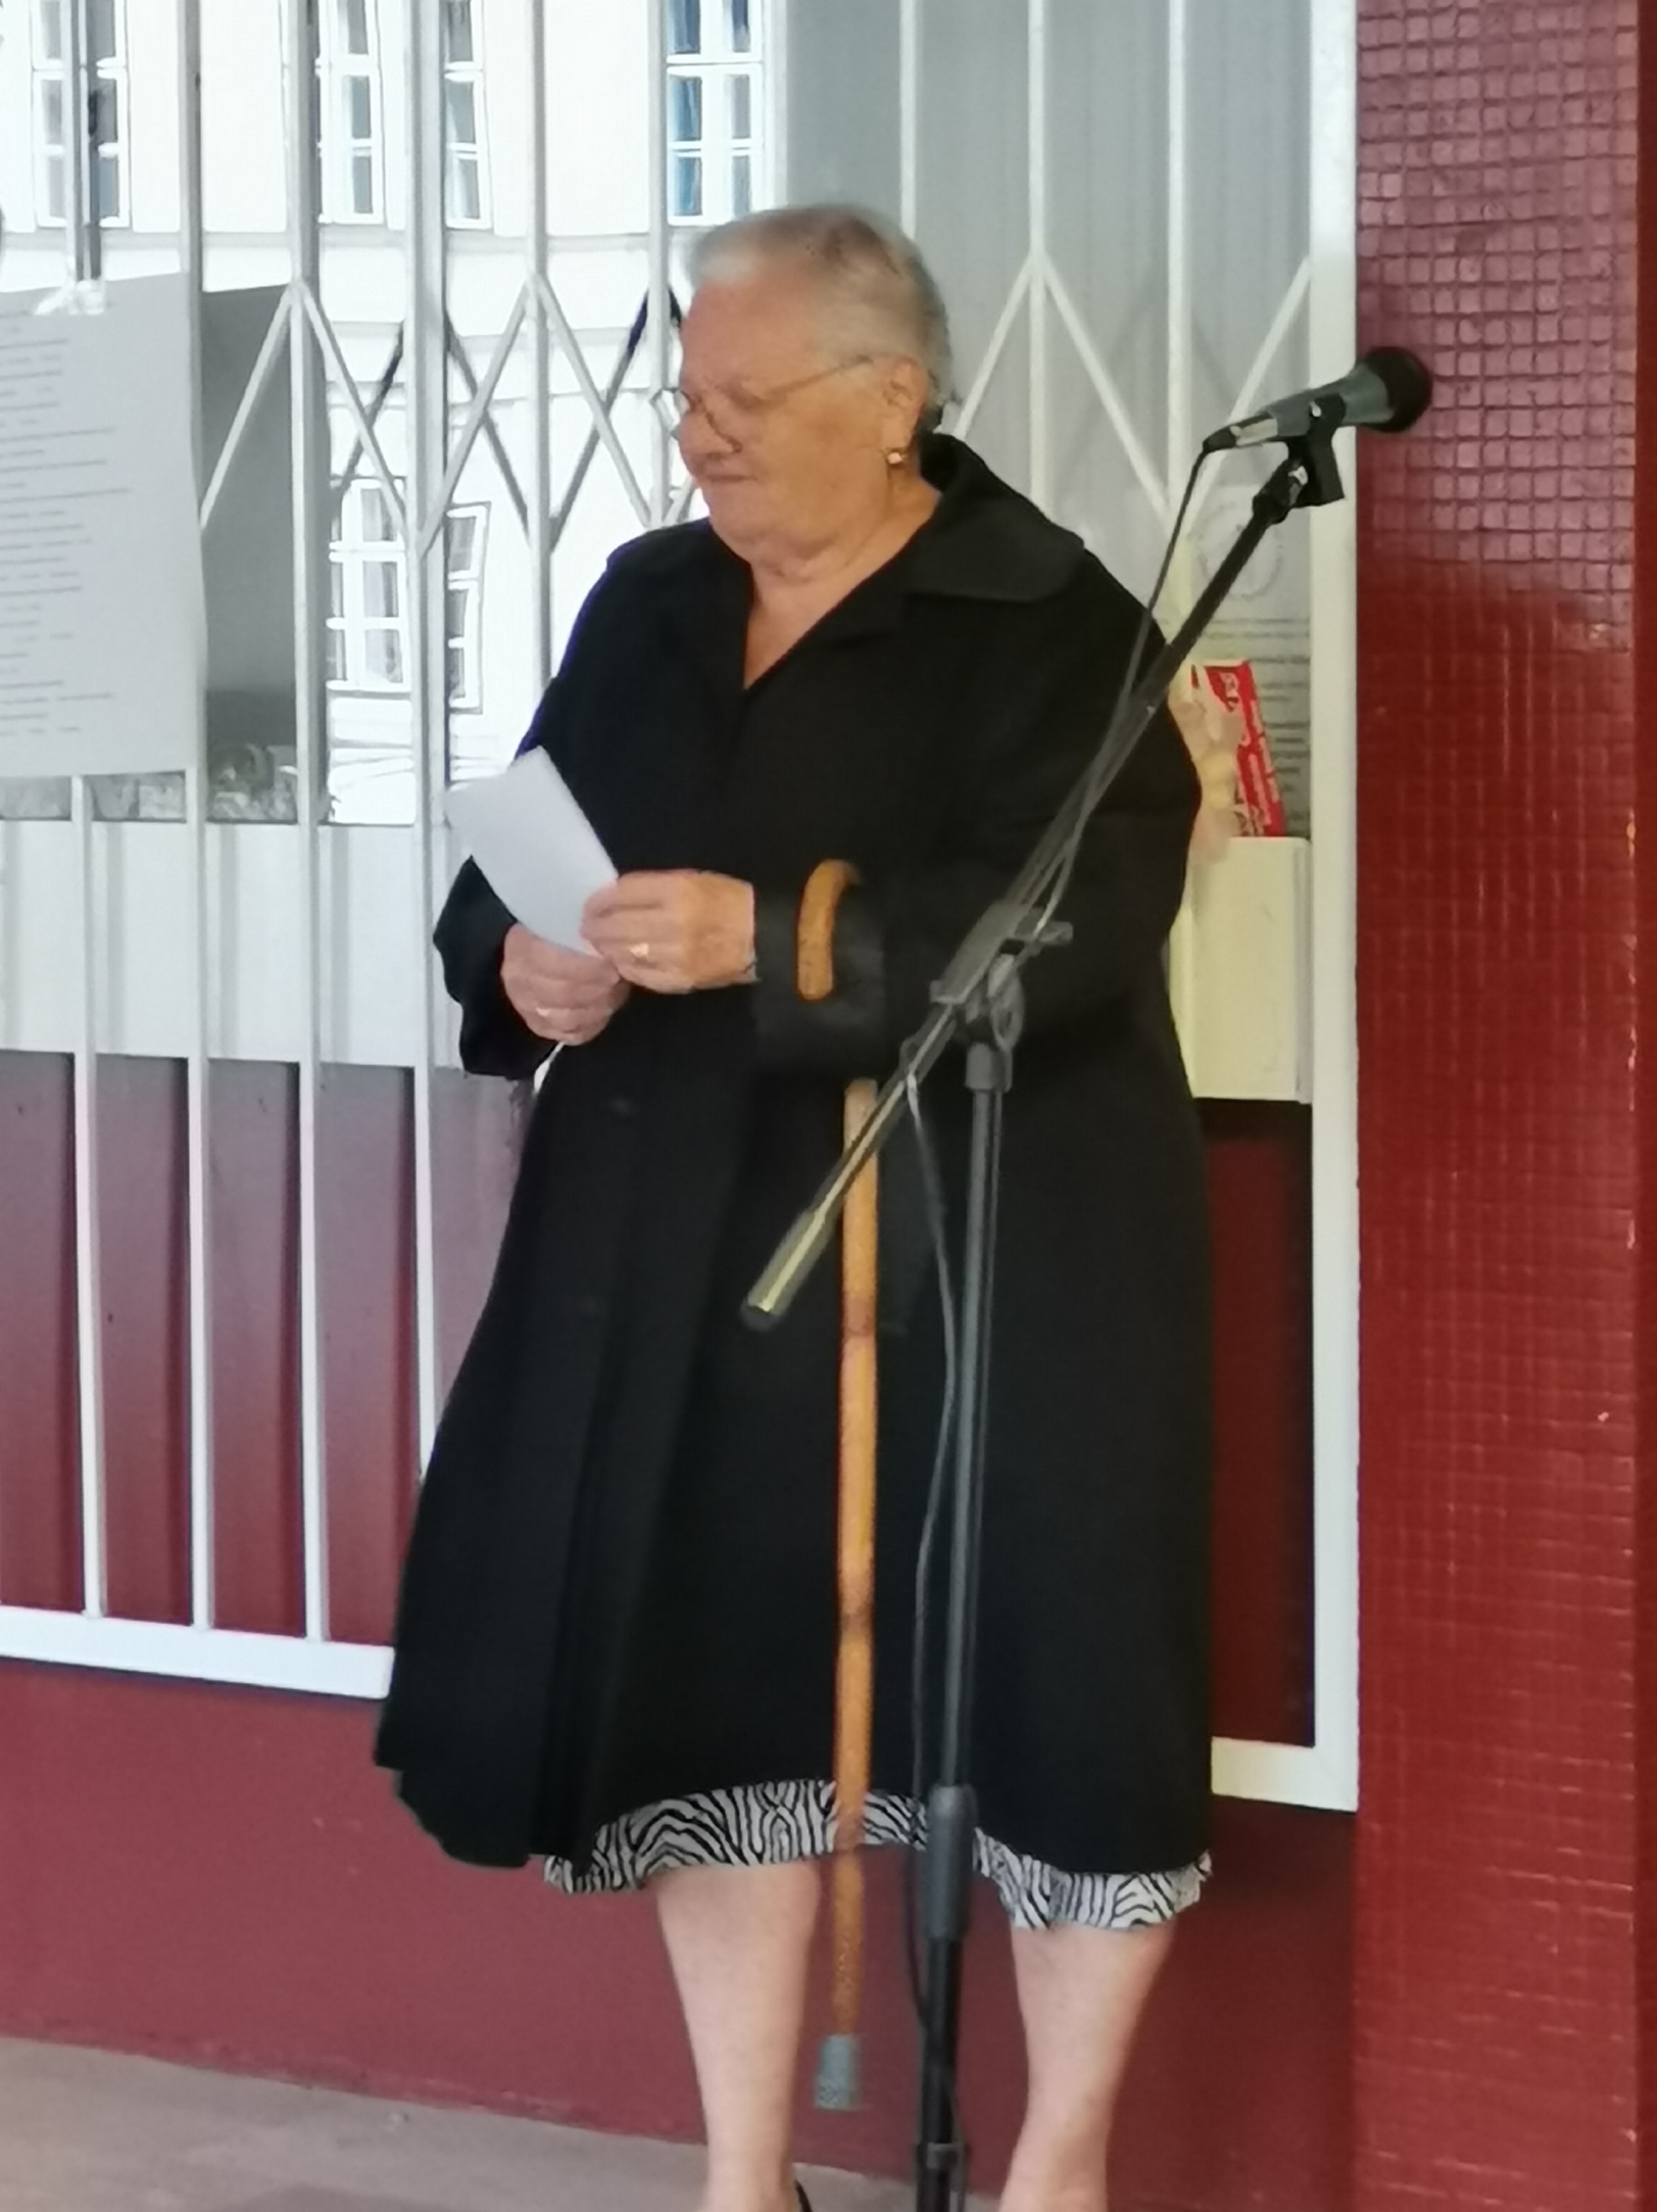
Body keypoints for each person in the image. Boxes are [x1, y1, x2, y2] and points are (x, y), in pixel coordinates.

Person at [377, 204, 1212, 2212]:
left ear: (894, 396)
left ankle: (1059, 2169)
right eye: (689, 397)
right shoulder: (652, 600)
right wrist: (522, 961)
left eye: (748, 398)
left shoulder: (1047, 614)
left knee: (1060, 1694)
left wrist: (774, 939)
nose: (705, 437)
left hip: (989, 1254)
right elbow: (517, 858)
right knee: (717, 1686)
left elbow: (1075, 922)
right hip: (688, 1259)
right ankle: (743, 2175)